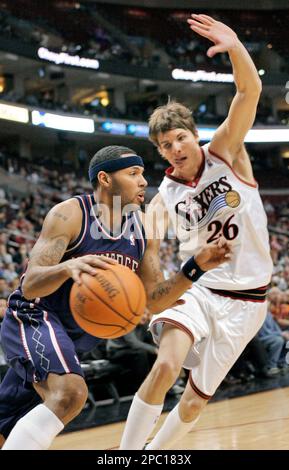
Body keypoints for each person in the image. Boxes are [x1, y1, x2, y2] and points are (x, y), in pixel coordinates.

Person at [0, 145, 230, 450]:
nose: (142, 182)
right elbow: (30, 285)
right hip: (33, 317)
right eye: (133, 173)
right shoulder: (70, 214)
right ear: (105, 179)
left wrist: (194, 267)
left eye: (143, 174)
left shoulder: (143, 230)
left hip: (72, 339)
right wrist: (68, 267)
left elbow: (155, 300)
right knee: (70, 394)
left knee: (7, 426)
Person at [120, 13, 273, 450]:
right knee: (165, 366)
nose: (174, 149)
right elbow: (150, 259)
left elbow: (249, 91)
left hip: (248, 302)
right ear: (160, 151)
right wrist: (178, 273)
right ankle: (128, 456)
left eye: (180, 138)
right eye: (165, 145)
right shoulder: (163, 195)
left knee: (191, 404)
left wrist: (235, 45)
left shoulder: (226, 152)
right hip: (199, 291)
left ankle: (153, 454)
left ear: (194, 135)